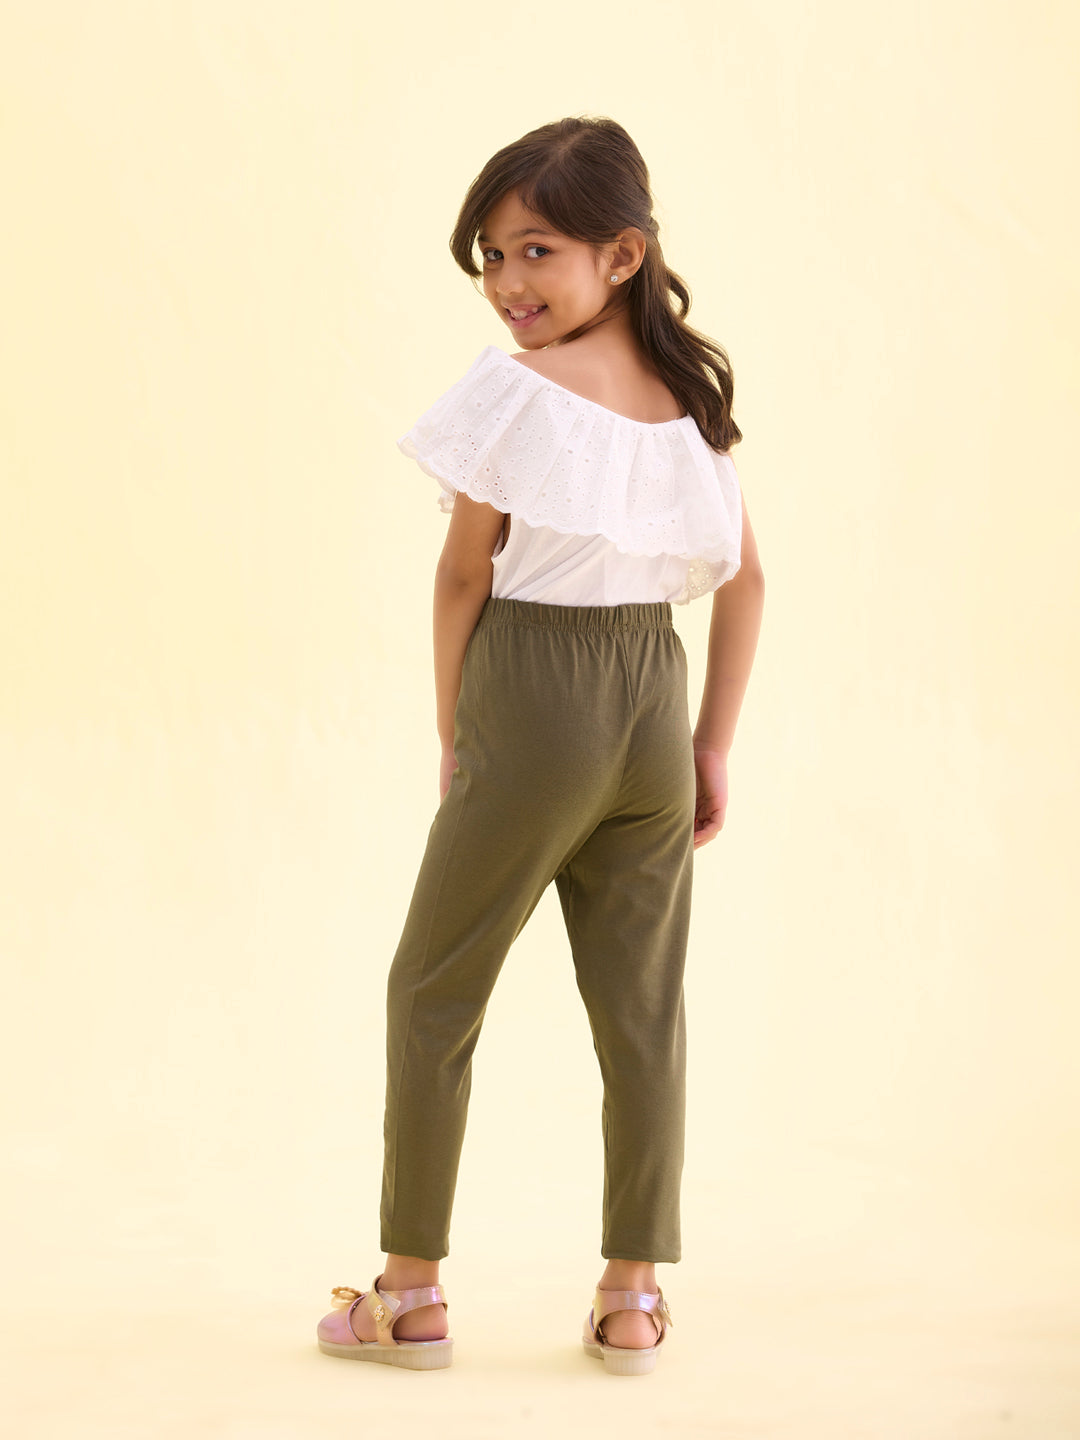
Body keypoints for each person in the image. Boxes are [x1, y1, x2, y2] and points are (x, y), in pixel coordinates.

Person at [316, 115, 765, 1376]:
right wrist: (709, 745)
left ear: (622, 255)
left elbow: (465, 575)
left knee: (435, 987)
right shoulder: (690, 402)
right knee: (643, 1009)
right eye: (491, 256)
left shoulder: (517, 391)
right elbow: (745, 579)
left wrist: (458, 732)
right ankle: (633, 1298)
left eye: (536, 251)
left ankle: (409, 1294)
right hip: (654, 702)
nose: (508, 282)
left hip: (535, 694)